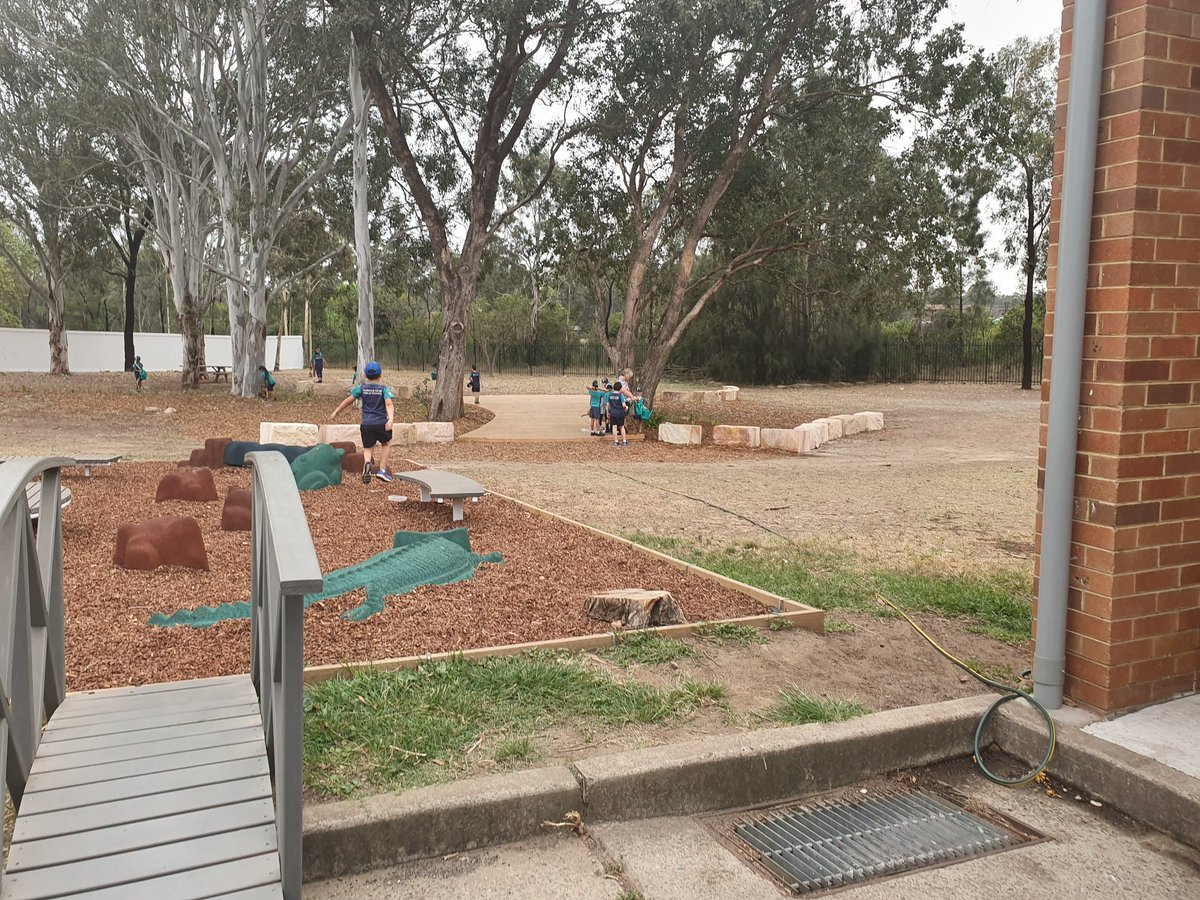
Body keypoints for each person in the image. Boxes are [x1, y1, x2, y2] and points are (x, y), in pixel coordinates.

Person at [331, 360, 395, 483]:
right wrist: (391, 419)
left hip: (366, 424)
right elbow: (389, 403)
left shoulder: (362, 388)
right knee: (386, 444)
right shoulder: (384, 390)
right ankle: (382, 470)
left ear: (365, 375)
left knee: (368, 448)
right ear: (381, 375)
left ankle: (367, 464)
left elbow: (348, 400)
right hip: (382, 423)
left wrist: (336, 411)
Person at [607, 380, 629, 447]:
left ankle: (616, 441)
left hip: (613, 413)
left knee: (614, 427)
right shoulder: (620, 395)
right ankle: (624, 441)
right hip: (620, 413)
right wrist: (626, 409)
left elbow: (608, 405)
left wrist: (608, 412)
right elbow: (624, 405)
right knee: (622, 427)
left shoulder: (610, 395)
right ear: (620, 388)